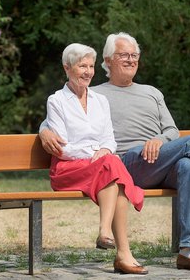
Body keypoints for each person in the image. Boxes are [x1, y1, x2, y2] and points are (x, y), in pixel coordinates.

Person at [40, 33, 190, 272]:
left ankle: (187, 251)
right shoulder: (96, 92)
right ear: (108, 60)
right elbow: (61, 118)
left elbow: (172, 130)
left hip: (159, 161)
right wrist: (43, 131)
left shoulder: (152, 92)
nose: (131, 60)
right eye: (124, 55)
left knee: (188, 166)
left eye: (135, 56)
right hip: (125, 163)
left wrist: (159, 140)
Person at [45, 42, 148, 275]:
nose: (88, 72)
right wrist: (95, 154)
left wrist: (104, 152)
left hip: (100, 168)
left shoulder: (101, 100)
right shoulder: (56, 101)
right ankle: (114, 243)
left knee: (112, 166)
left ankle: (113, 241)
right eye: (82, 66)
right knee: (113, 167)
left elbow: (109, 139)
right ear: (67, 68)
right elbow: (62, 148)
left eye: (91, 66)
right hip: (68, 169)